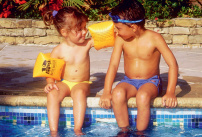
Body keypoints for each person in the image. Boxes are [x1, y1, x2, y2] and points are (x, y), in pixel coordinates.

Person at [99, 0, 178, 133]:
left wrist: (170, 92)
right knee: (117, 93)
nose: (116, 33)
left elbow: (173, 64)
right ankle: (124, 131)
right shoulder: (121, 40)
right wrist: (107, 92)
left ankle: (140, 133)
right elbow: (113, 65)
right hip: (128, 81)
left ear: (133, 27)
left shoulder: (155, 38)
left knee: (142, 96)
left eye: (118, 28)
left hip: (150, 81)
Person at [43, 6, 93, 136]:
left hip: (82, 83)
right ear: (64, 32)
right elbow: (50, 71)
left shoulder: (86, 44)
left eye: (84, 27)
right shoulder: (58, 50)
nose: (84, 32)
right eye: (79, 29)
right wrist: (50, 82)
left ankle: (77, 129)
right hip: (65, 82)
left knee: (78, 92)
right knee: (52, 94)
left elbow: (106, 38)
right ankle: (53, 131)